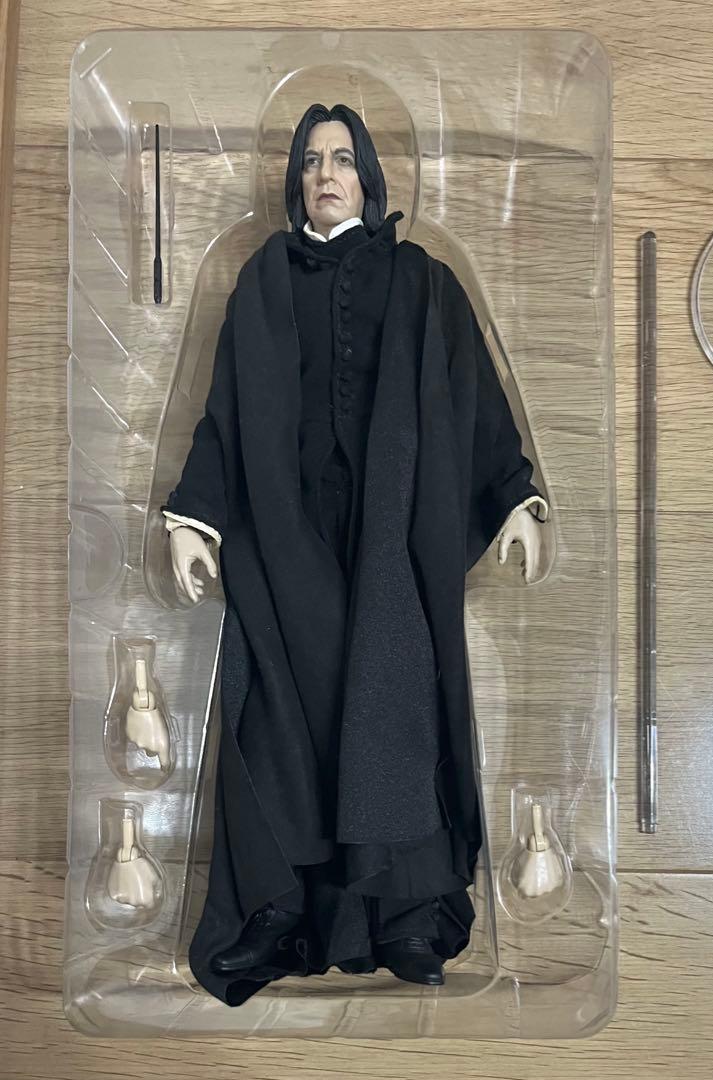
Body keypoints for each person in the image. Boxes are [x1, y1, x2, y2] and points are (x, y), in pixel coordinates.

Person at [161, 102, 549, 1007]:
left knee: (393, 700)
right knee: (280, 713)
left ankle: (405, 910)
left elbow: (475, 394)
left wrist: (514, 495)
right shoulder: (263, 282)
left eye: (340, 159)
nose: (325, 174)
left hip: (393, 532)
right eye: (310, 161)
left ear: (368, 177)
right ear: (295, 179)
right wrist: (193, 515)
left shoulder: (423, 281)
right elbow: (224, 411)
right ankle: (280, 905)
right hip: (283, 531)